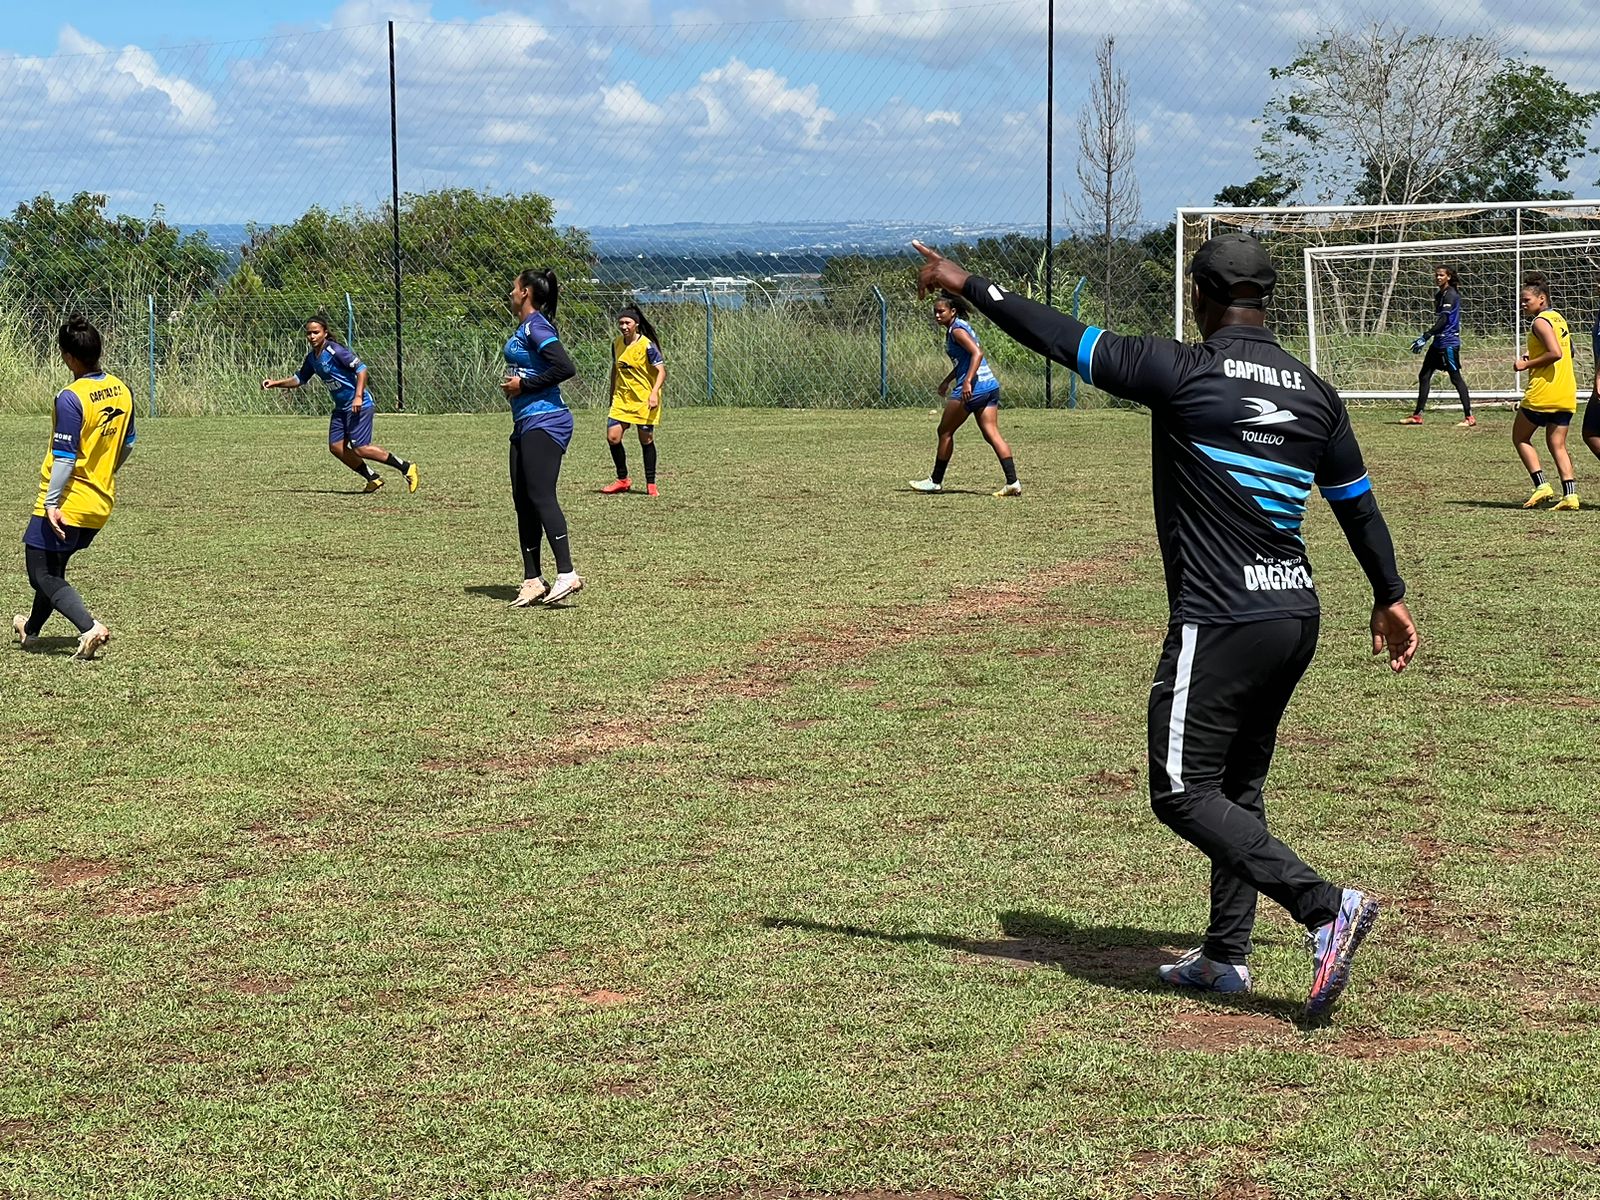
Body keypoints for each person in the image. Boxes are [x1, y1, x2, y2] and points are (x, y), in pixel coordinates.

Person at [913, 234, 1419, 1019]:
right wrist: (1389, 594)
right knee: (1236, 792)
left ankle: (1325, 909)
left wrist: (964, 280)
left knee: (1182, 791)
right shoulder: (1316, 392)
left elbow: (1055, 335)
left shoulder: (1181, 370)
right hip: (1294, 612)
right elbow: (1357, 503)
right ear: (1267, 298)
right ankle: (1224, 955)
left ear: (1198, 297)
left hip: (1221, 616)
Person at [12, 316, 136, 660]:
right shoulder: (122, 390)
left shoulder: (71, 397)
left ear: (68, 357)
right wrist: (104, 473)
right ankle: (31, 631)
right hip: (99, 503)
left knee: (40, 572)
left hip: (67, 502)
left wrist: (52, 502)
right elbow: (128, 443)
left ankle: (89, 626)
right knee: (53, 572)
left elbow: (65, 457)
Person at [262, 315, 418, 494]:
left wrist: (358, 396)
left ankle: (406, 467)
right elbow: (300, 379)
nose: (312, 337)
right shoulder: (313, 358)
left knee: (361, 448)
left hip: (359, 405)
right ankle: (373, 478)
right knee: (336, 447)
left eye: (316, 332)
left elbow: (361, 369)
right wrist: (275, 383)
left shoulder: (335, 350)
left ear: (325, 333)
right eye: (308, 333)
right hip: (341, 408)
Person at [504, 268, 584, 607]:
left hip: (547, 421)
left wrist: (524, 385)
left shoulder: (536, 326)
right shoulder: (525, 327)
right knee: (523, 500)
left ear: (525, 293)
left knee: (540, 495)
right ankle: (533, 579)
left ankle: (566, 573)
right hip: (524, 422)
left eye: (513, 288)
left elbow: (564, 367)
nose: (510, 293)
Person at [909, 293, 1021, 497]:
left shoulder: (957, 331)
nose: (937, 315)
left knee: (944, 431)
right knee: (991, 433)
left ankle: (935, 481)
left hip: (974, 388)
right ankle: (1013, 482)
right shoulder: (959, 326)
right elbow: (965, 359)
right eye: (935, 311)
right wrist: (947, 380)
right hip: (990, 386)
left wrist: (967, 381)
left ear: (952, 311)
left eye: (941, 311)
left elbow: (977, 354)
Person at [1511, 273, 1579, 510]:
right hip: (1565, 390)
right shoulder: (1558, 318)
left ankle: (1542, 485)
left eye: (1526, 300)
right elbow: (1568, 351)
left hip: (1544, 392)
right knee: (1556, 443)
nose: (1523, 304)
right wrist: (1536, 355)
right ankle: (1570, 495)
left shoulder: (1539, 322)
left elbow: (1555, 353)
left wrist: (1525, 364)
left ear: (1542, 299)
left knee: (1520, 437)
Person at [601, 305, 666, 497]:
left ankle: (651, 483)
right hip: (622, 399)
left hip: (644, 398)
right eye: (620, 323)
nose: (623, 326)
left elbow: (661, 371)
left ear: (636, 325)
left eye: (627, 322)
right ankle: (622, 480)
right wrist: (612, 392)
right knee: (613, 437)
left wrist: (654, 393)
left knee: (645, 439)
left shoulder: (646, 345)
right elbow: (616, 368)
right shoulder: (617, 344)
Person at [1404, 265, 1473, 427]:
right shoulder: (1439, 295)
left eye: (1441, 275)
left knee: (1456, 379)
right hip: (1438, 343)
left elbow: (1443, 321)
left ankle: (1469, 417)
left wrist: (1426, 335)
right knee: (1424, 376)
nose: (1438, 278)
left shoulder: (1450, 295)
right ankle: (1417, 415)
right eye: (1436, 275)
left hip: (1449, 343)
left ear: (1448, 277)